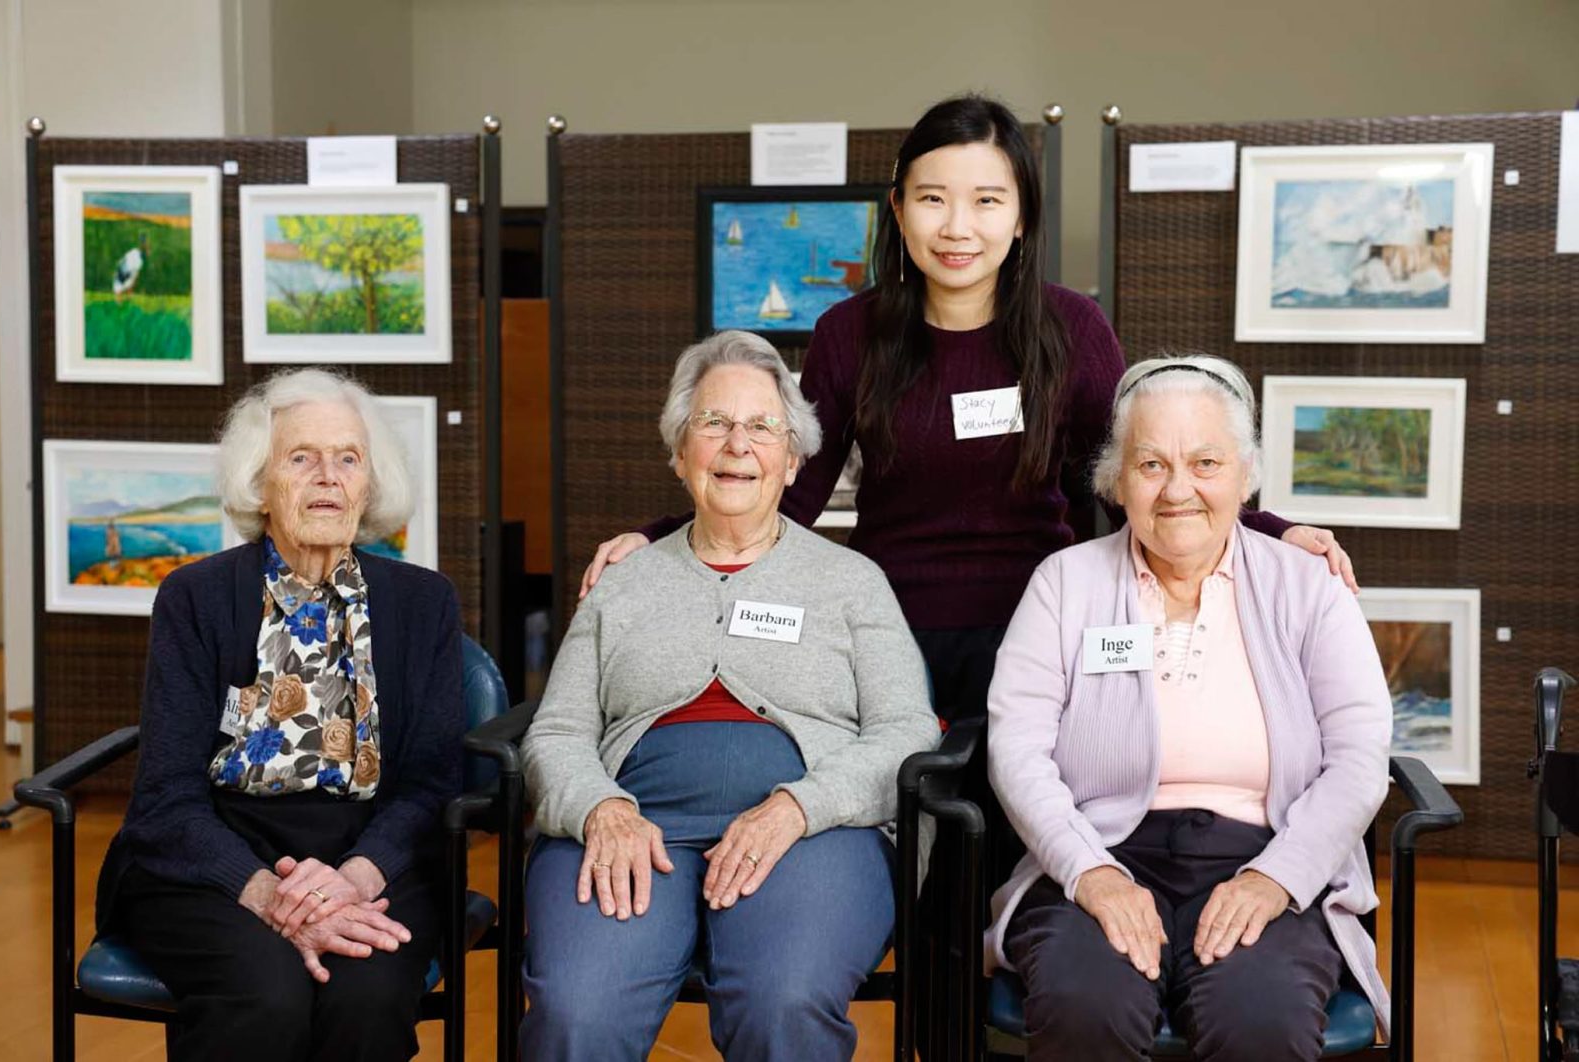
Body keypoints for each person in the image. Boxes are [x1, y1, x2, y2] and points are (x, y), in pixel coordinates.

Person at [578, 94, 1355, 721]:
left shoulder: (1069, 329)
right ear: (898, 208)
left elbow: (1133, 479)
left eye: (986, 200)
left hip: (1041, 617)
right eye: (932, 200)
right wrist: (655, 539)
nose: (957, 227)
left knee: (1013, 834)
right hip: (884, 624)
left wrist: (1273, 528)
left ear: (1019, 217)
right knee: (902, 835)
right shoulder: (849, 332)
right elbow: (791, 488)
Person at [520, 330, 940, 1061]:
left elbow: (906, 730)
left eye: (760, 428)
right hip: (635, 823)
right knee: (575, 1012)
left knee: (783, 1002)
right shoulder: (623, 582)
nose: (736, 445)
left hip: (812, 827)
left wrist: (797, 807)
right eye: (712, 424)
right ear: (681, 454)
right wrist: (602, 809)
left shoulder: (851, 582)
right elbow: (555, 732)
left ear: (793, 460)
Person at [985, 355, 1391, 1061]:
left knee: (1259, 1020)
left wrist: (1276, 877)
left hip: (1267, 851)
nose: (1178, 490)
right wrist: (1092, 874)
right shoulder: (1063, 583)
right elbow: (1015, 750)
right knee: (1086, 1007)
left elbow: (1359, 760)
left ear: (1244, 474)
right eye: (1150, 465)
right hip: (1098, 849)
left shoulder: (1308, 587)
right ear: (1116, 480)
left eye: (1205, 462)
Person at [94, 369, 465, 1062]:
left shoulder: (425, 603)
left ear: (370, 482)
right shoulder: (195, 597)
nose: (328, 476)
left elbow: (433, 782)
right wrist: (270, 895)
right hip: (214, 854)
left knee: (368, 995)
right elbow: (166, 798)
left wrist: (353, 878)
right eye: (301, 458)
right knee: (263, 994)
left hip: (373, 855)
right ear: (259, 483)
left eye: (347, 458)